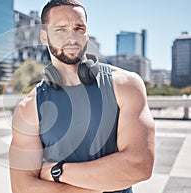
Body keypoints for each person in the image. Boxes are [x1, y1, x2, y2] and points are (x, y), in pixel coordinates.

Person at [9, 0, 155, 192]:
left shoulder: (125, 85)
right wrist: (106, 182)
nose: (72, 37)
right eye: (60, 29)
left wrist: (57, 172)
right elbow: (23, 187)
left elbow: (139, 166)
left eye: (79, 28)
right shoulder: (29, 107)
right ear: (44, 36)